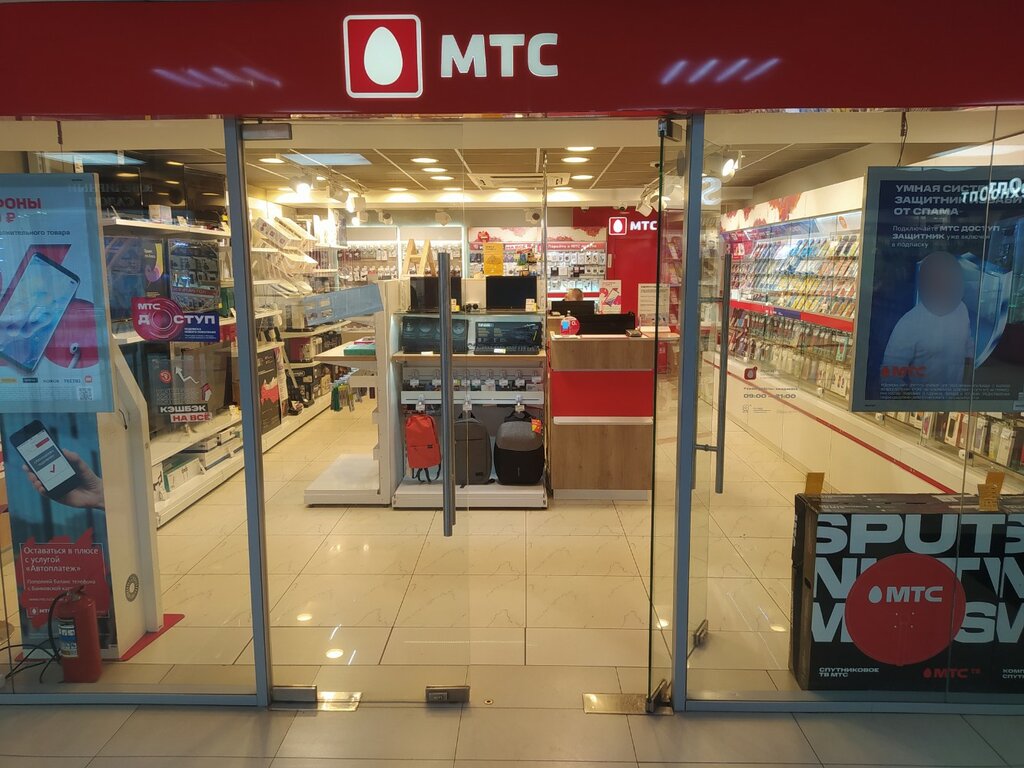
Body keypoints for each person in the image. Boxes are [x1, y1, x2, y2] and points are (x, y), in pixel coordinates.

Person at [880, 251, 974, 399]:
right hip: (924, 405)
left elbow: (968, 350)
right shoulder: (909, 323)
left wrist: (964, 389)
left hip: (955, 402)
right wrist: (918, 406)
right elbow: (889, 378)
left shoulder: (961, 309)